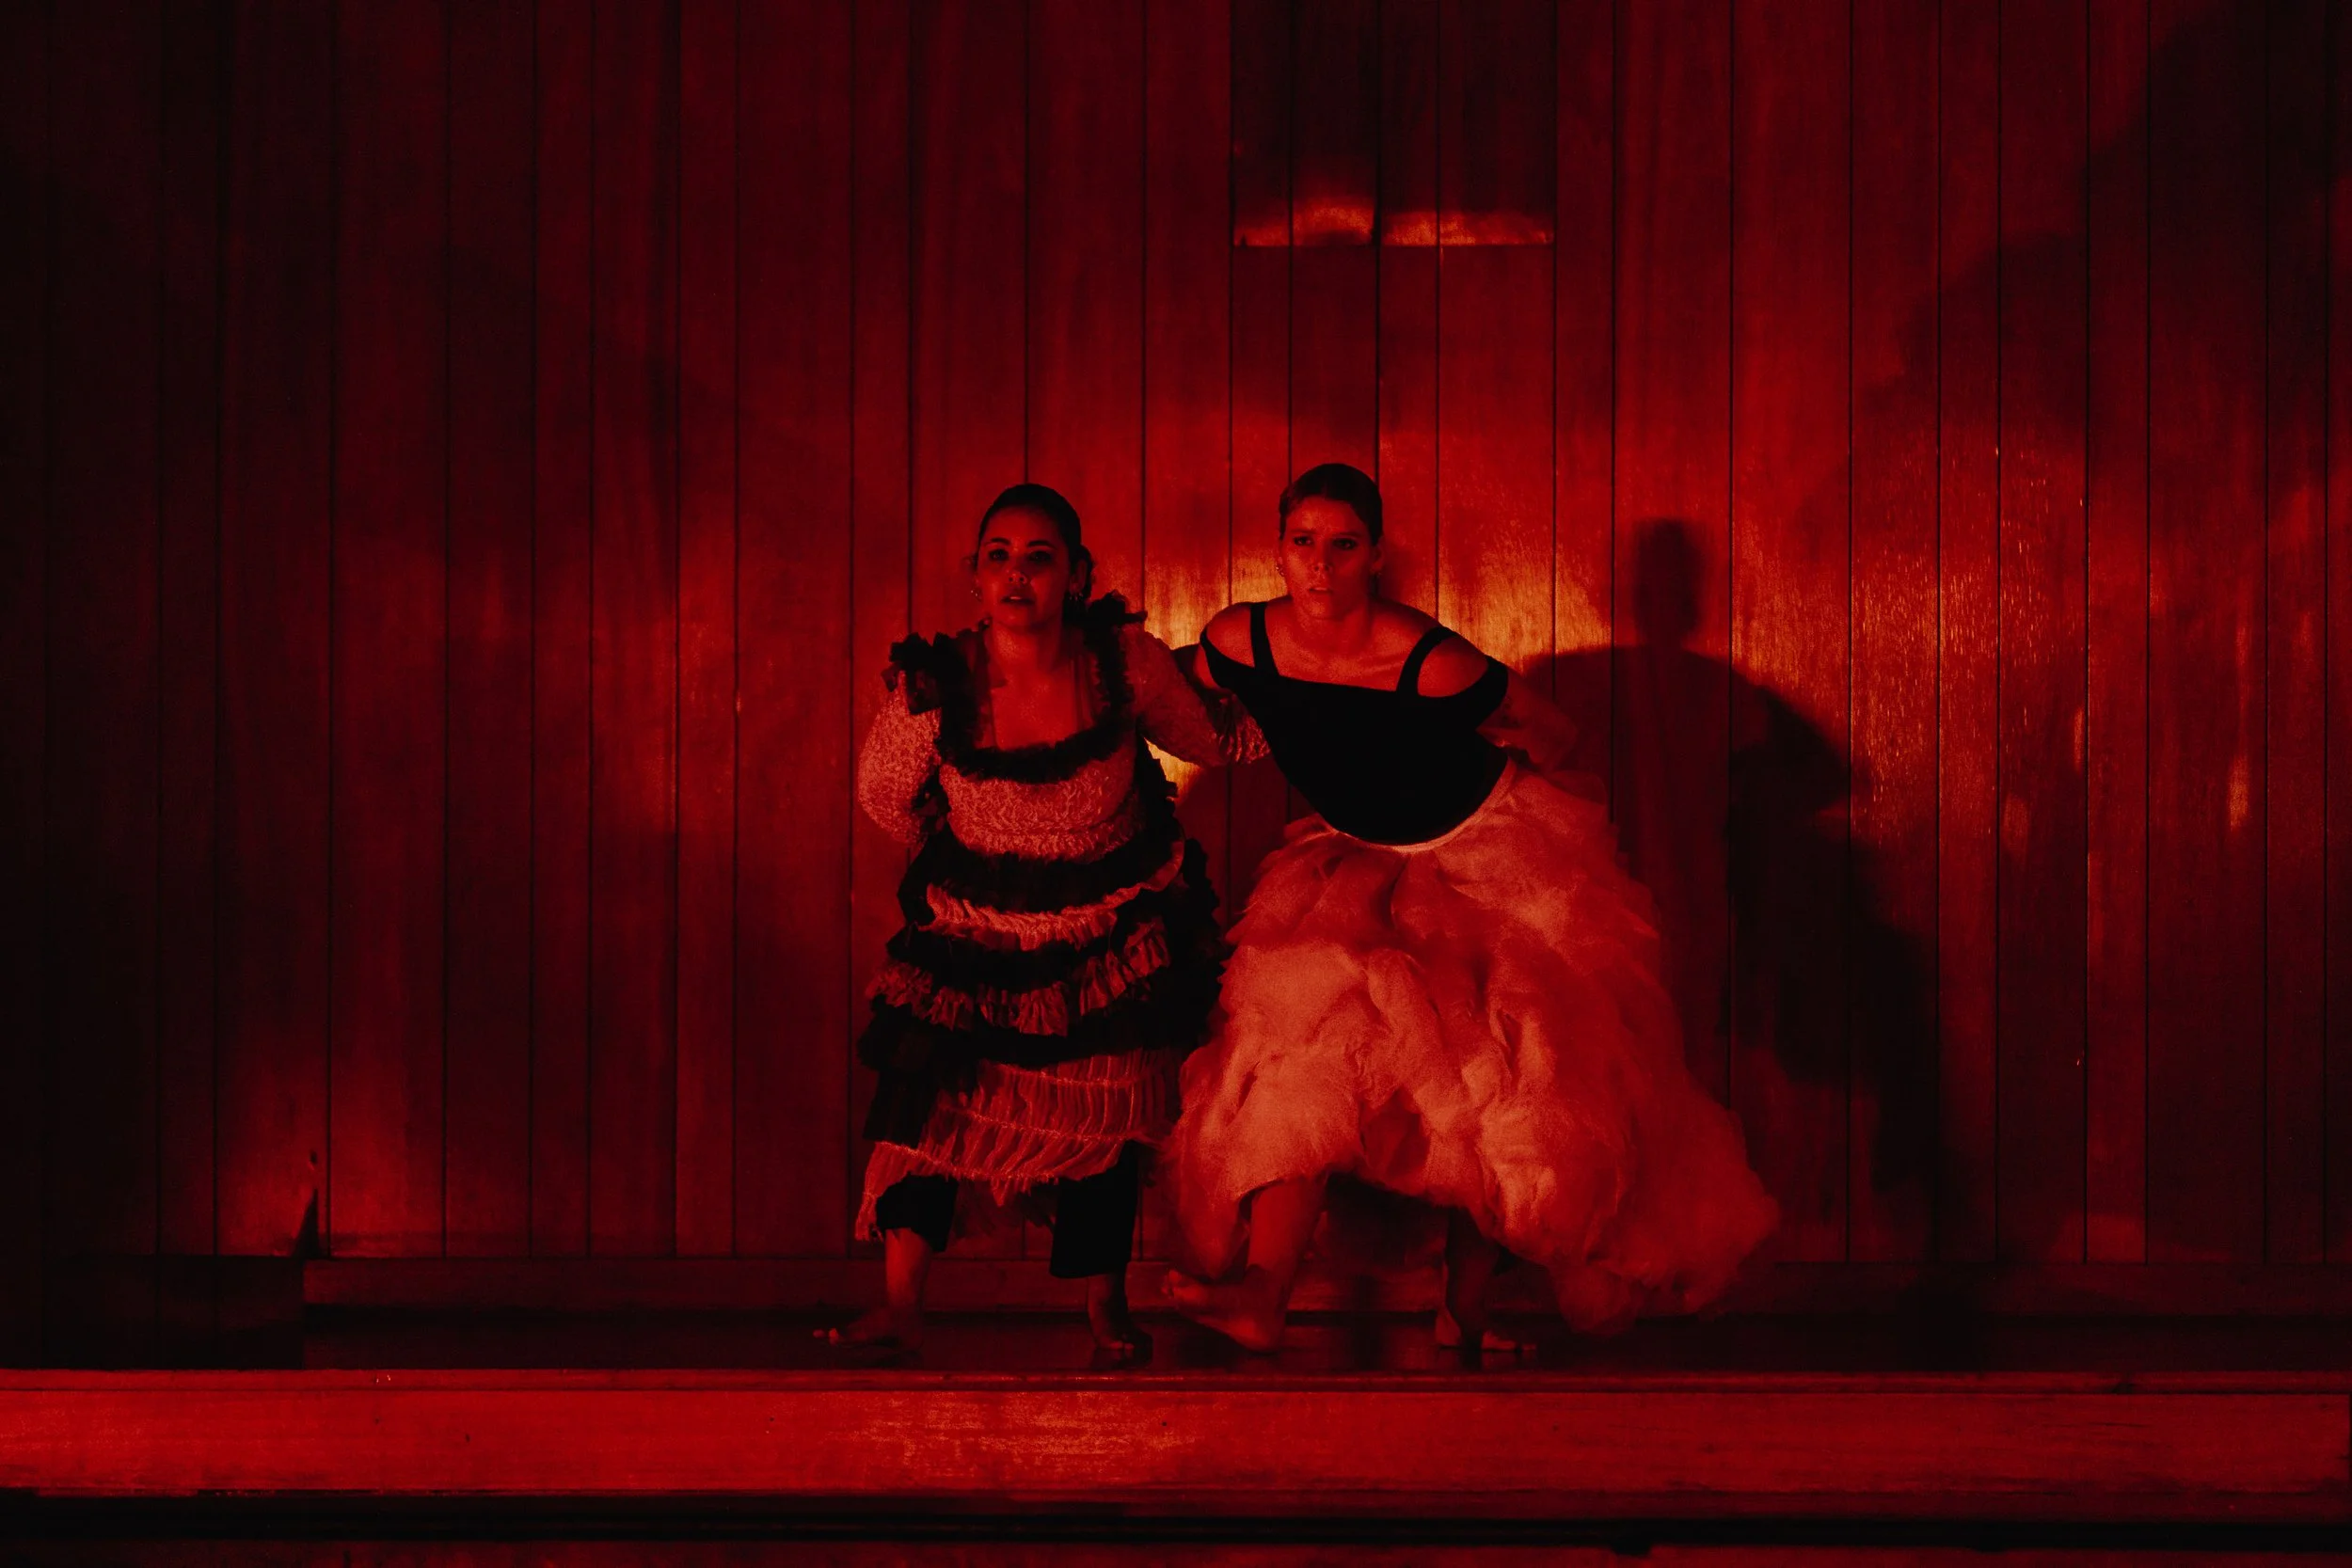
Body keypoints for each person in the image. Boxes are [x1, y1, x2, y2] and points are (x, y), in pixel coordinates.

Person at [1163, 462, 1778, 1356]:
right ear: (1278, 551)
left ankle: (1466, 1309)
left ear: (1376, 555)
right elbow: (1157, 693)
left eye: (1343, 546)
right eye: (1304, 544)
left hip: (1486, 846)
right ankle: (1264, 1291)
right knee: (1295, 1041)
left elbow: (1553, 734)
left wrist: (1532, 848)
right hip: (1353, 854)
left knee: (1499, 1070)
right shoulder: (1240, 641)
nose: (1322, 566)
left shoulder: (1428, 658)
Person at [834, 482, 1263, 1363]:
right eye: (999, 556)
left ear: (1076, 573)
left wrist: (1332, 702)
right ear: (974, 575)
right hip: (976, 931)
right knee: (925, 1104)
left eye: (1039, 557)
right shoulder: (935, 683)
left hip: (1109, 929)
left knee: (1106, 1113)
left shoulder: (1124, 662)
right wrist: (964, 860)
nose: (1018, 575)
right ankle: (902, 1304)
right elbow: (881, 793)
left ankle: (1105, 1307)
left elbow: (1212, 739)